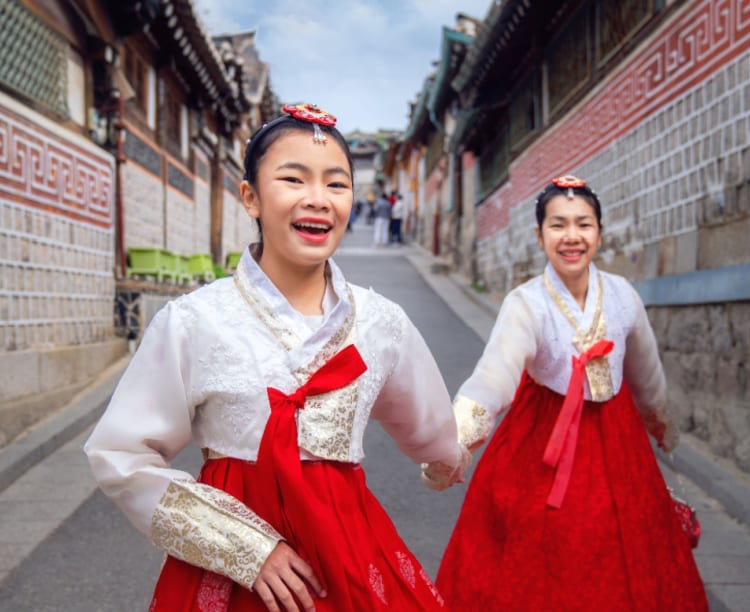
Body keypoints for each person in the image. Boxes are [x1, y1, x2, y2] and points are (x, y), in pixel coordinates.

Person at [84, 103, 471, 612]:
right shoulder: (195, 321)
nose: (318, 200)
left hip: (348, 557)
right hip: (229, 572)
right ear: (250, 197)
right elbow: (120, 453)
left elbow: (430, 427)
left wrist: (444, 459)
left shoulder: (381, 322)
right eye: (293, 179)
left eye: (337, 185)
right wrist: (246, 548)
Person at [435, 175, 708, 610]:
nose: (571, 237)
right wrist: (452, 442)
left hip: (617, 439)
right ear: (539, 235)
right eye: (558, 225)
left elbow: (645, 370)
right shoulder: (526, 303)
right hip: (543, 439)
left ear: (599, 232)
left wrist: (660, 422)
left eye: (583, 224)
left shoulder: (622, 296)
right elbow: (494, 377)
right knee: (549, 542)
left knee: (627, 539)